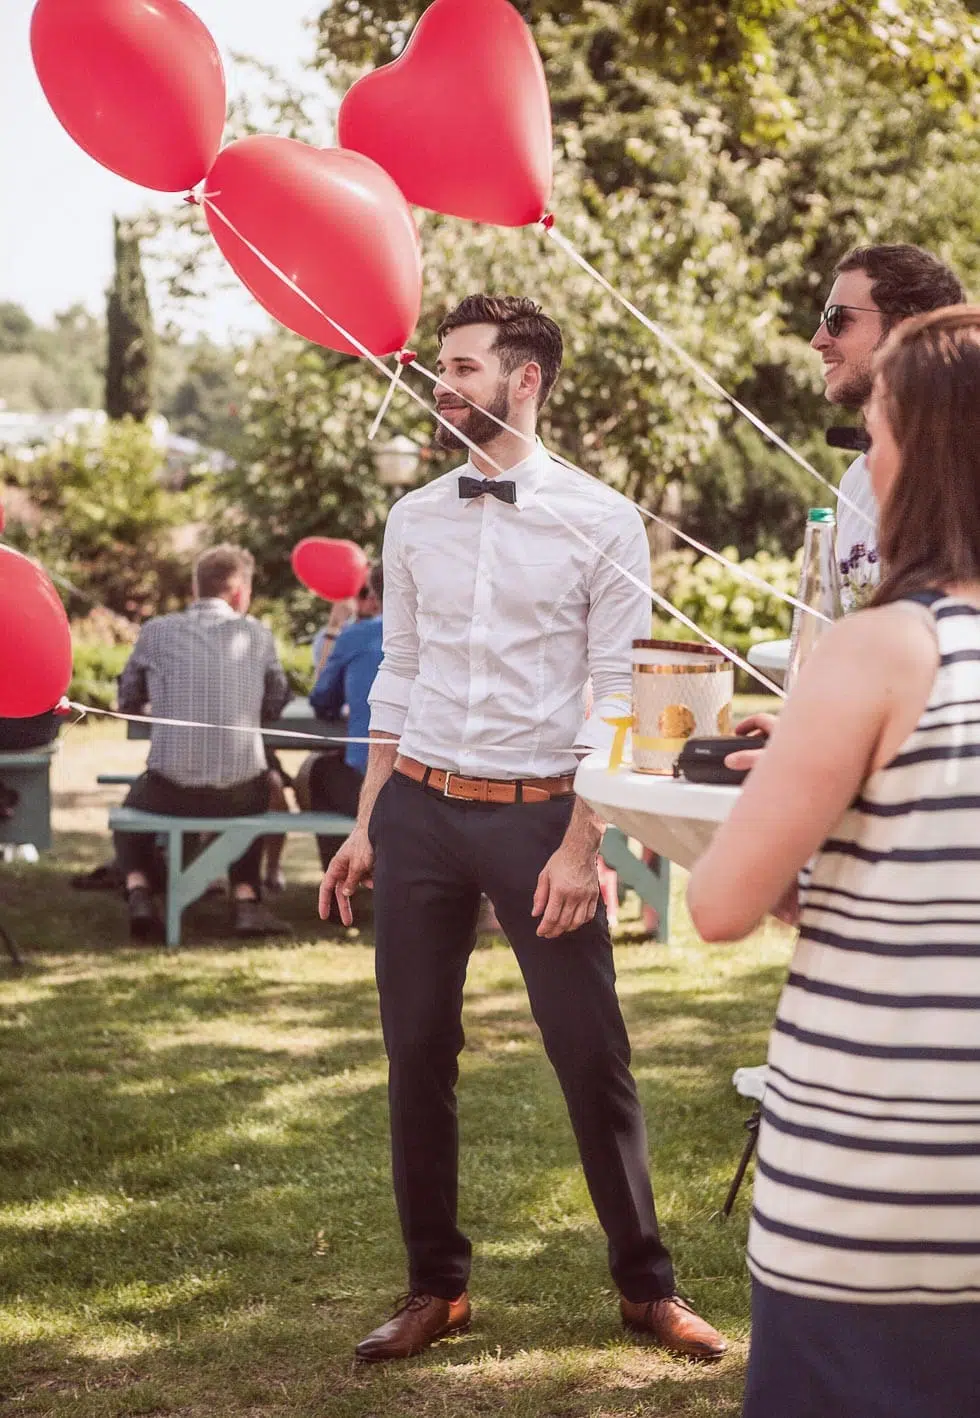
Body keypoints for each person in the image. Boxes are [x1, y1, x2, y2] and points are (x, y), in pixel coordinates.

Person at [320, 294, 727, 1364]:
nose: (441, 386)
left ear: (526, 378)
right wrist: (367, 822)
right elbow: (395, 672)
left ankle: (647, 1286)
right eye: (440, 367)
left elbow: (614, 694)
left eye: (461, 368)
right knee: (414, 1049)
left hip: (538, 817)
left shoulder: (600, 519)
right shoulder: (411, 516)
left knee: (588, 1050)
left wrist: (581, 844)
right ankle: (433, 1287)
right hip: (414, 810)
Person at [689, 306, 980, 1418]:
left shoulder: (879, 646)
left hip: (870, 1171)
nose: (866, 451)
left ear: (923, 445)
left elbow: (719, 903)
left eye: (876, 423)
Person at [115, 544, 294, 942]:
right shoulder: (258, 635)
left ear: (196, 589)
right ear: (239, 592)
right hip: (239, 793)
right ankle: (246, 899)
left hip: (169, 790)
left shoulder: (156, 631)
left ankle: (139, 890)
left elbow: (127, 698)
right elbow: (277, 701)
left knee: (130, 812)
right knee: (257, 787)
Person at [811, 243, 964, 611]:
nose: (818, 340)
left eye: (837, 319)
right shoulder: (856, 480)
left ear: (904, 330)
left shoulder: (964, 478)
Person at [307, 561, 384, 884]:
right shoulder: (447, 633)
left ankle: (342, 882)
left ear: (377, 595)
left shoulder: (357, 635)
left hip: (369, 780)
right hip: (435, 781)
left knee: (317, 772)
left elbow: (322, 700)